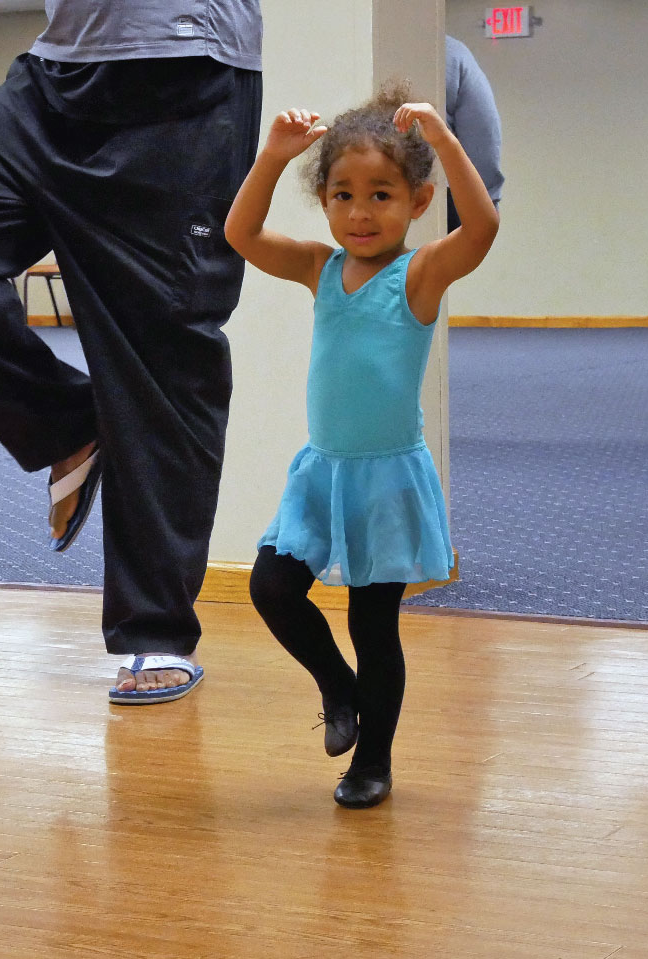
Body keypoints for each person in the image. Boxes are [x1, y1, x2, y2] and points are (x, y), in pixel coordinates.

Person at [0, 1, 261, 705]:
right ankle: (68, 420)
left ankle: (155, 629)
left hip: (184, 83)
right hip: (55, 77)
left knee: (163, 364)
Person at [220, 83, 497, 808]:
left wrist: (447, 141)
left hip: (387, 480)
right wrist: (273, 158)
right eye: (343, 195)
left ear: (418, 199)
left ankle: (371, 761)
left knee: (374, 625)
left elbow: (483, 231)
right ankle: (335, 684)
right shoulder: (321, 269)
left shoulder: (421, 274)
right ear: (325, 204)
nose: (361, 212)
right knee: (271, 586)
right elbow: (242, 236)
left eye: (381, 194)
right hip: (322, 473)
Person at [441, 35, 502, 232]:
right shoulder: (451, 52)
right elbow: (483, 139)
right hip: (447, 200)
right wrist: (487, 206)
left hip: (364, 197)